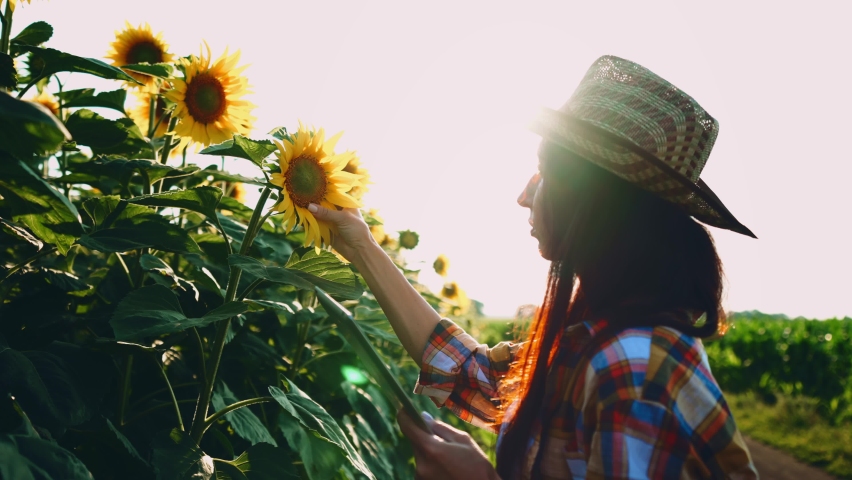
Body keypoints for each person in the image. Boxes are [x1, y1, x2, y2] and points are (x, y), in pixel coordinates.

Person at [308, 55, 759, 479]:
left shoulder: (632, 370)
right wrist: (361, 246)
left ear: (591, 199)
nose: (524, 196)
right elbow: (479, 376)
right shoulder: (594, 338)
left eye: (542, 172)